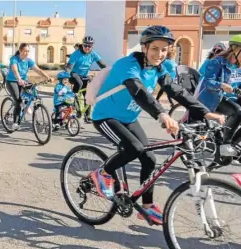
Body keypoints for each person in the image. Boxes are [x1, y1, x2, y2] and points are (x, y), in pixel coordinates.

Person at [90, 25, 224, 225]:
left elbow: (176, 91)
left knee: (149, 159)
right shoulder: (128, 65)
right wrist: (161, 115)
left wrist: (205, 112)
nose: (159, 54)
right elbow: (138, 91)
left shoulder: (160, 68)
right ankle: (102, 173)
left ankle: (147, 207)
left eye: (164, 49)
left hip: (128, 118)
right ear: (144, 47)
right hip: (105, 116)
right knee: (133, 148)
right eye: (154, 49)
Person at [194, 35, 241, 158]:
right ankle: (226, 144)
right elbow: (207, 82)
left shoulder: (239, 66)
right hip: (213, 98)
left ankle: (234, 144)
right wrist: (221, 85)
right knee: (237, 111)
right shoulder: (216, 62)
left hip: (231, 98)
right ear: (235, 49)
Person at [6, 42, 54, 131]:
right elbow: (15, 70)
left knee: (32, 93)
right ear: (20, 51)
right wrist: (19, 79)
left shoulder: (28, 60)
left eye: (28, 51)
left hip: (23, 81)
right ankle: (15, 123)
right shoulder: (14, 59)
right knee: (18, 100)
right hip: (12, 81)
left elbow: (38, 70)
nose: (26, 53)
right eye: (24, 51)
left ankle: (26, 106)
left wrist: (48, 77)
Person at [65, 36, 107, 123]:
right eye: (85, 46)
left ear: (92, 47)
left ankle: (87, 116)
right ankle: (73, 98)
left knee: (89, 94)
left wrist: (111, 72)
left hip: (84, 75)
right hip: (74, 75)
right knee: (79, 83)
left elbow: (102, 65)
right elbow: (69, 67)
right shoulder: (76, 54)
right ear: (82, 45)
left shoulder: (93, 54)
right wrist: (65, 76)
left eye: (89, 46)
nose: (87, 48)